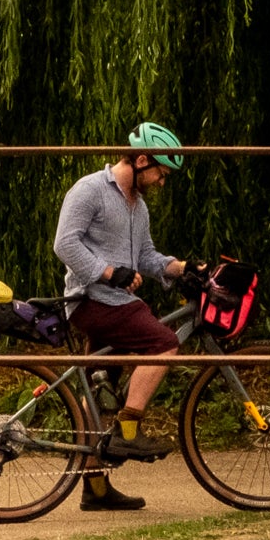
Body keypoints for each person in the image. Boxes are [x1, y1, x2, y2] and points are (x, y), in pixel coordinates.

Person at [52, 121, 190, 512]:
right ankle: (129, 429)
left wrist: (181, 267)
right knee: (164, 343)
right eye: (161, 173)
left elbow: (145, 257)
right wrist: (110, 273)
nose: (162, 182)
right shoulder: (90, 190)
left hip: (113, 304)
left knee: (99, 396)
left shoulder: (137, 207)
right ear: (142, 160)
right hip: (92, 301)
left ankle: (94, 488)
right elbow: (64, 243)